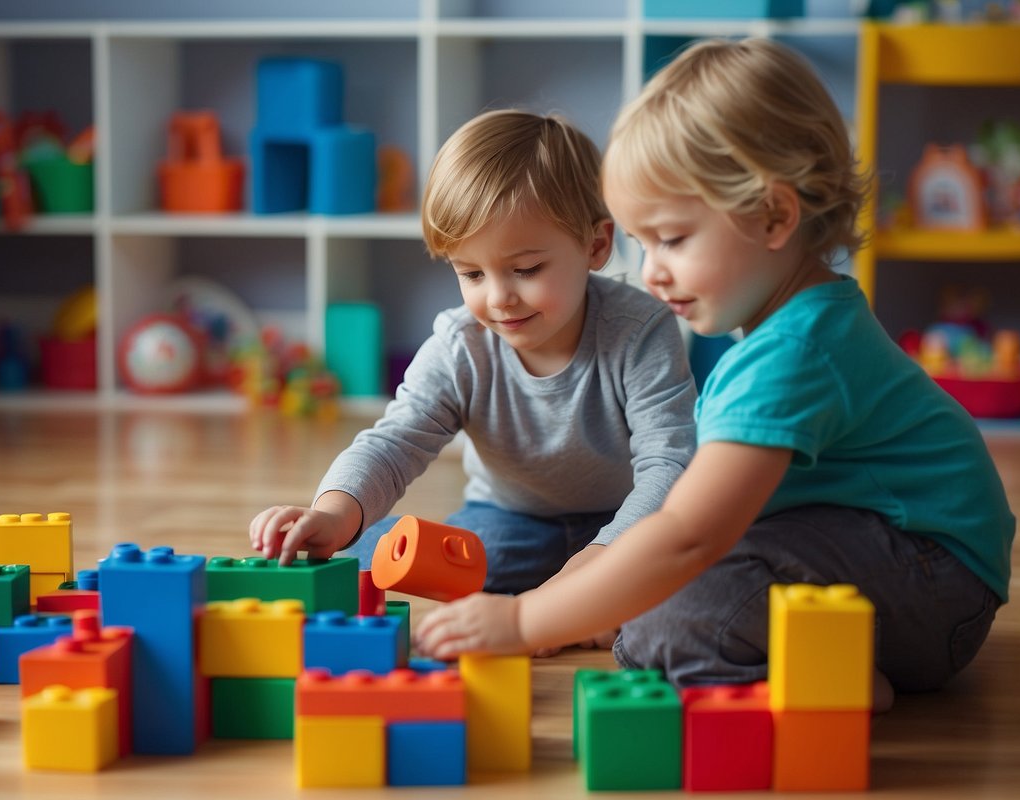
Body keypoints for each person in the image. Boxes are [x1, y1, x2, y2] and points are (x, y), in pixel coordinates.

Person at [414, 39, 1014, 711]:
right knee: (646, 597)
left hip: (931, 586)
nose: (649, 272)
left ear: (773, 215)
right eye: (642, 244)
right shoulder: (790, 326)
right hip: (898, 561)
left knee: (668, 618)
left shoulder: (795, 352)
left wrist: (527, 621)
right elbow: (690, 514)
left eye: (671, 238)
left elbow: (689, 534)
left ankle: (829, 685)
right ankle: (818, 666)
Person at [249, 109, 698, 620]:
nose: (500, 297)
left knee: (703, 564)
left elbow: (669, 468)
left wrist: (594, 571)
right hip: (511, 521)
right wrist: (330, 514)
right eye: (472, 273)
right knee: (356, 549)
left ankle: (589, 595)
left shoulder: (641, 330)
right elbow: (395, 442)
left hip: (628, 519)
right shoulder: (460, 344)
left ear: (595, 245)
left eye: (526, 269)